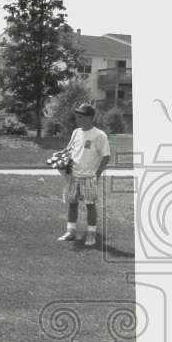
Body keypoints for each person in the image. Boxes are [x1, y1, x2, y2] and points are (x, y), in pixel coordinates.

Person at [57, 102, 111, 247]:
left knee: (90, 205)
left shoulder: (100, 135)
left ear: (90, 117)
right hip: (73, 176)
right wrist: (60, 158)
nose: (78, 119)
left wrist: (97, 176)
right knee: (72, 204)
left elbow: (106, 157)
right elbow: (69, 150)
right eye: (77, 116)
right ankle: (70, 232)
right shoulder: (76, 132)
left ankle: (91, 235)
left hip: (89, 177)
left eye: (81, 116)